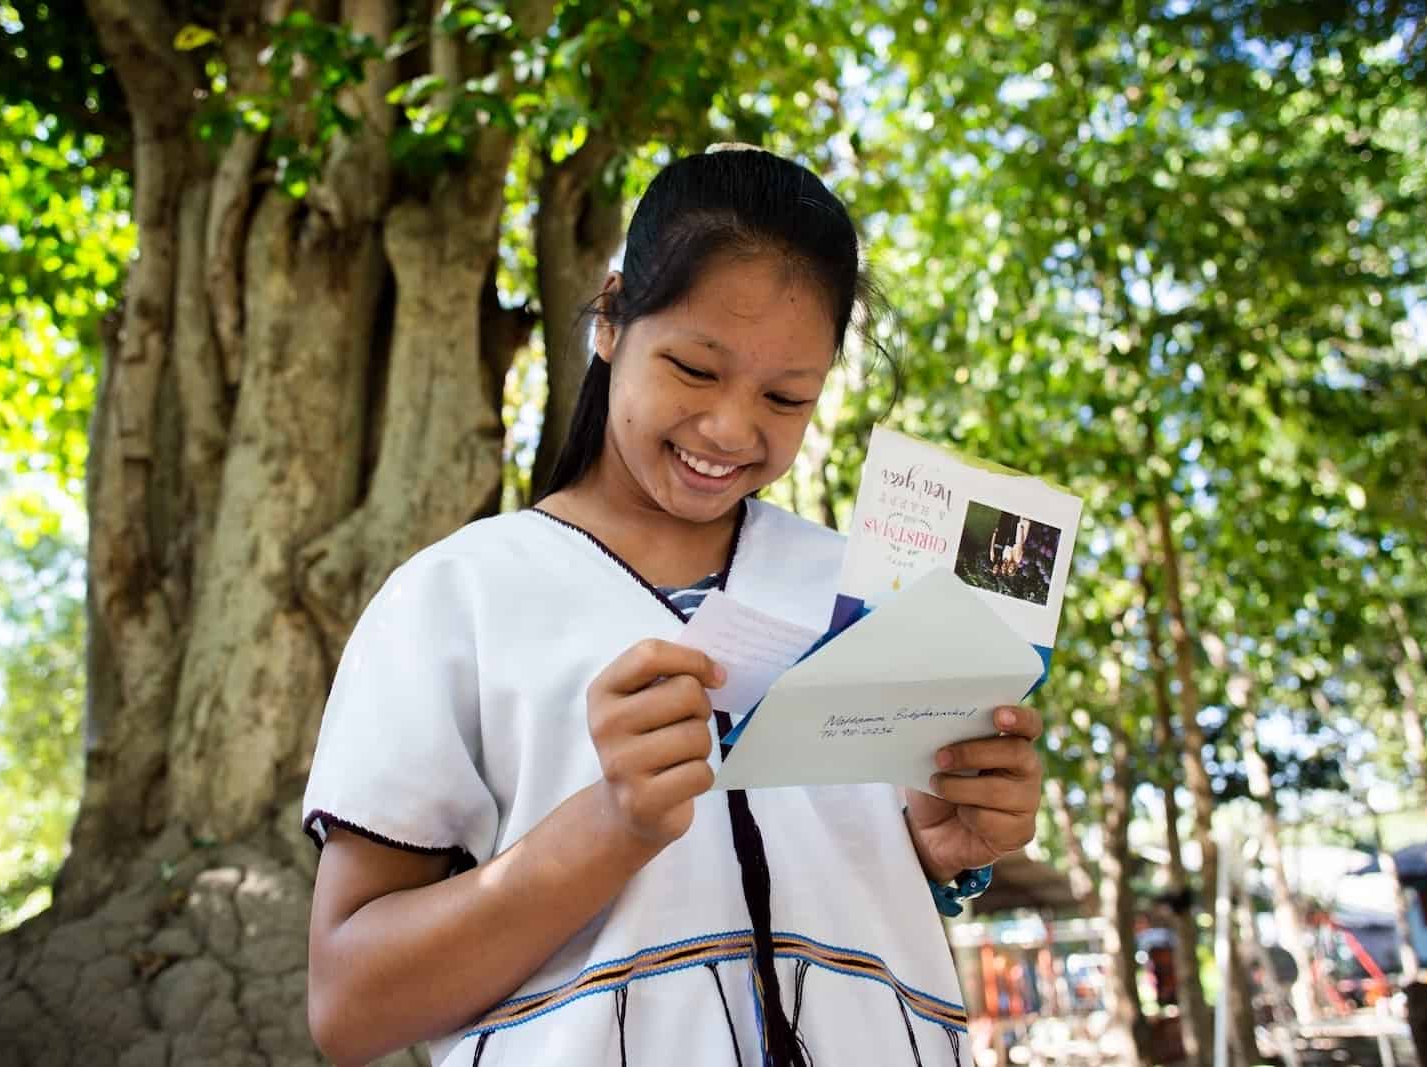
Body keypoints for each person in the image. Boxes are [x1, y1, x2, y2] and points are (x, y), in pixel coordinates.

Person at [302, 145, 1047, 1067]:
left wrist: (933, 847)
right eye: (695, 369)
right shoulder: (457, 596)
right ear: (612, 318)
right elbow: (347, 1006)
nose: (733, 428)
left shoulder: (867, 600)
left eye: (786, 396)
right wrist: (609, 826)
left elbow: (858, 896)